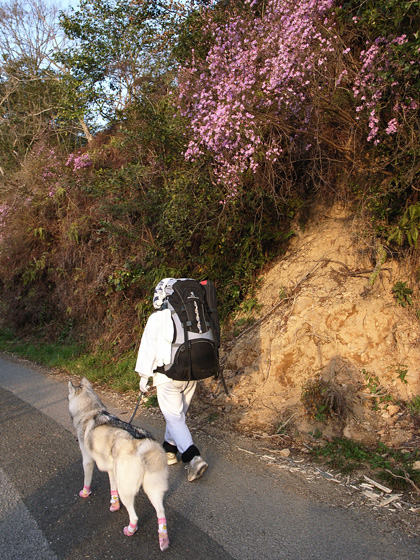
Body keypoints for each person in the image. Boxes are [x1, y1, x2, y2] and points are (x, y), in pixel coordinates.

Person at [135, 278, 208, 482]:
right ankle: (169, 450)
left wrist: (144, 375)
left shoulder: (158, 317)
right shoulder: (190, 314)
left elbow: (148, 348)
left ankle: (193, 457)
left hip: (168, 376)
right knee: (177, 417)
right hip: (192, 374)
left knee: (174, 417)